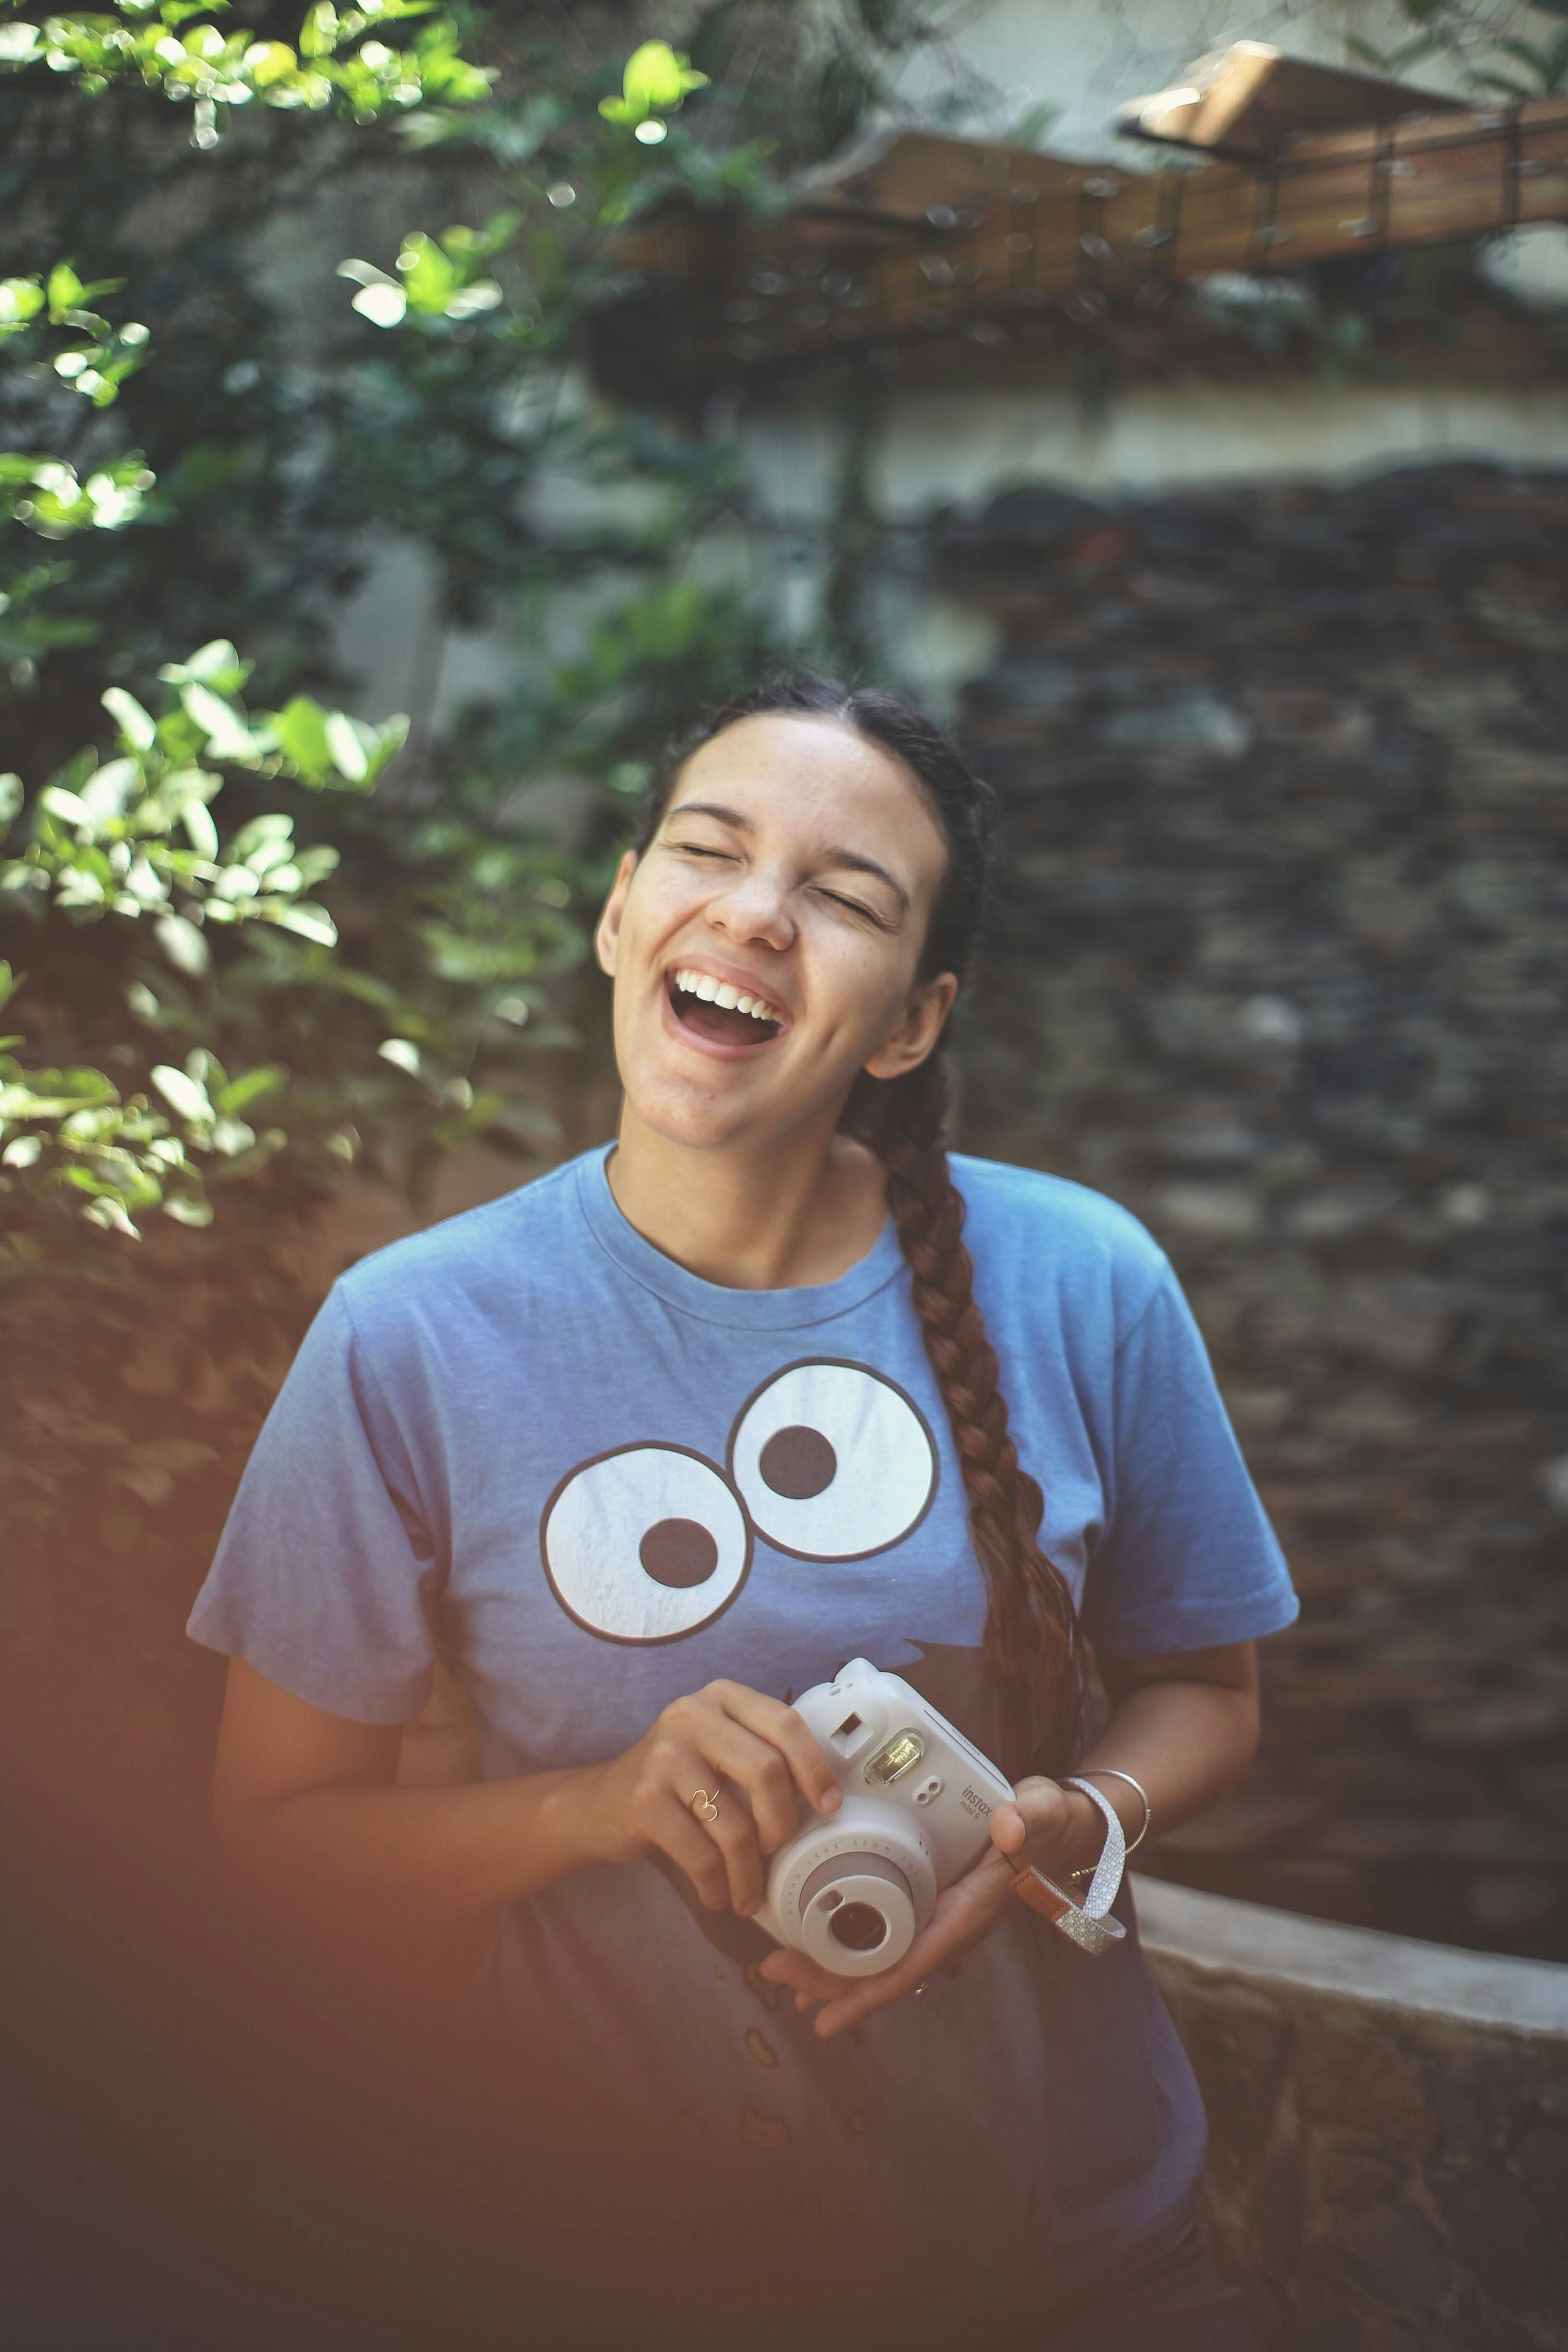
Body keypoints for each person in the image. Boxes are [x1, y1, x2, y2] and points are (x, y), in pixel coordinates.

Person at [187, 676, 1299, 2352]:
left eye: (842, 897)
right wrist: (600, 1805)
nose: (756, 915)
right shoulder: (405, 1334)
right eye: (709, 851)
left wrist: (1078, 1813)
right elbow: (273, 1844)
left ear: (910, 1020)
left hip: (1079, 2261)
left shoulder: (1083, 1278)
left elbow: (1208, 1694)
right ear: (622, 908)